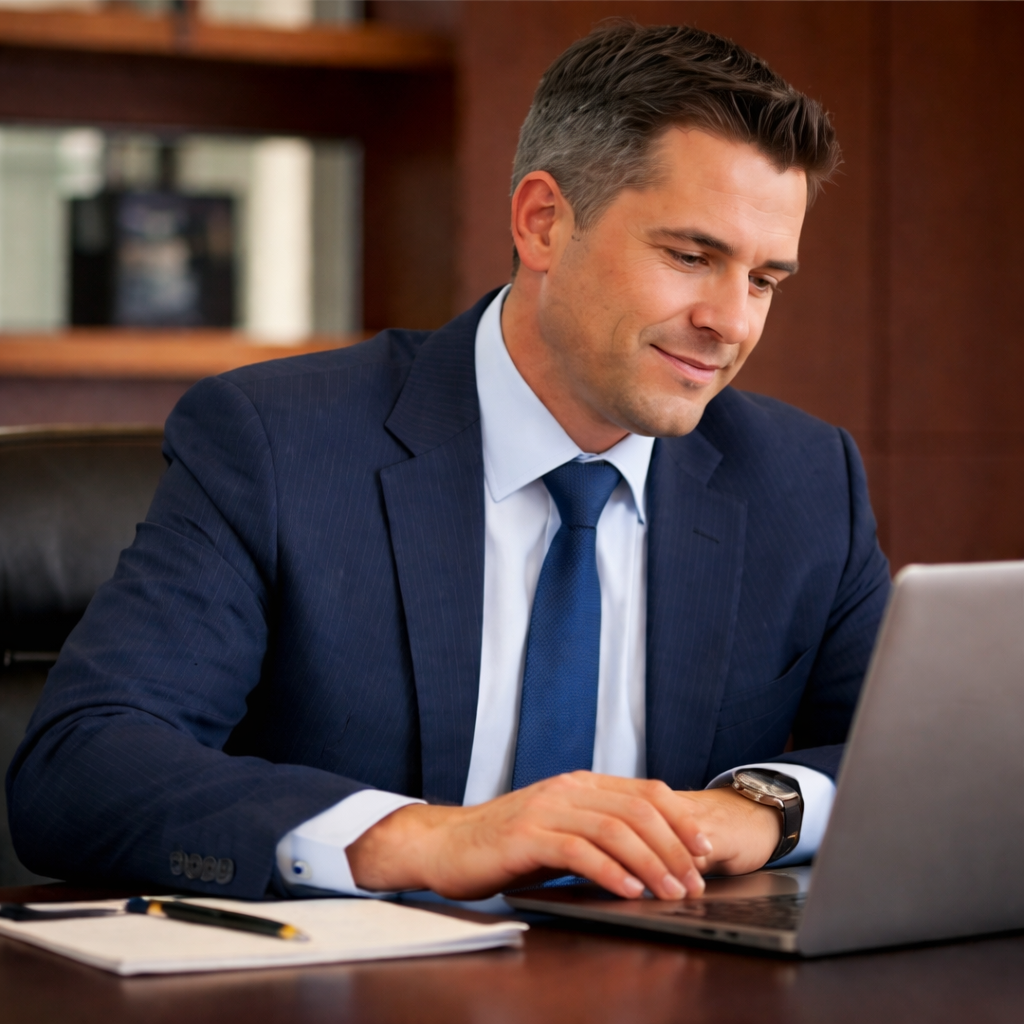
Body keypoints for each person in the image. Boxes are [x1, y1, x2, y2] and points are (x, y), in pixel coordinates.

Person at [7, 23, 889, 903]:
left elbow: (921, 758)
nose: (733, 322)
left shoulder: (804, 480)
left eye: (765, 280)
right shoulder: (278, 443)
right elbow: (81, 767)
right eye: (692, 257)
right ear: (543, 222)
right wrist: (420, 837)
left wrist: (766, 805)